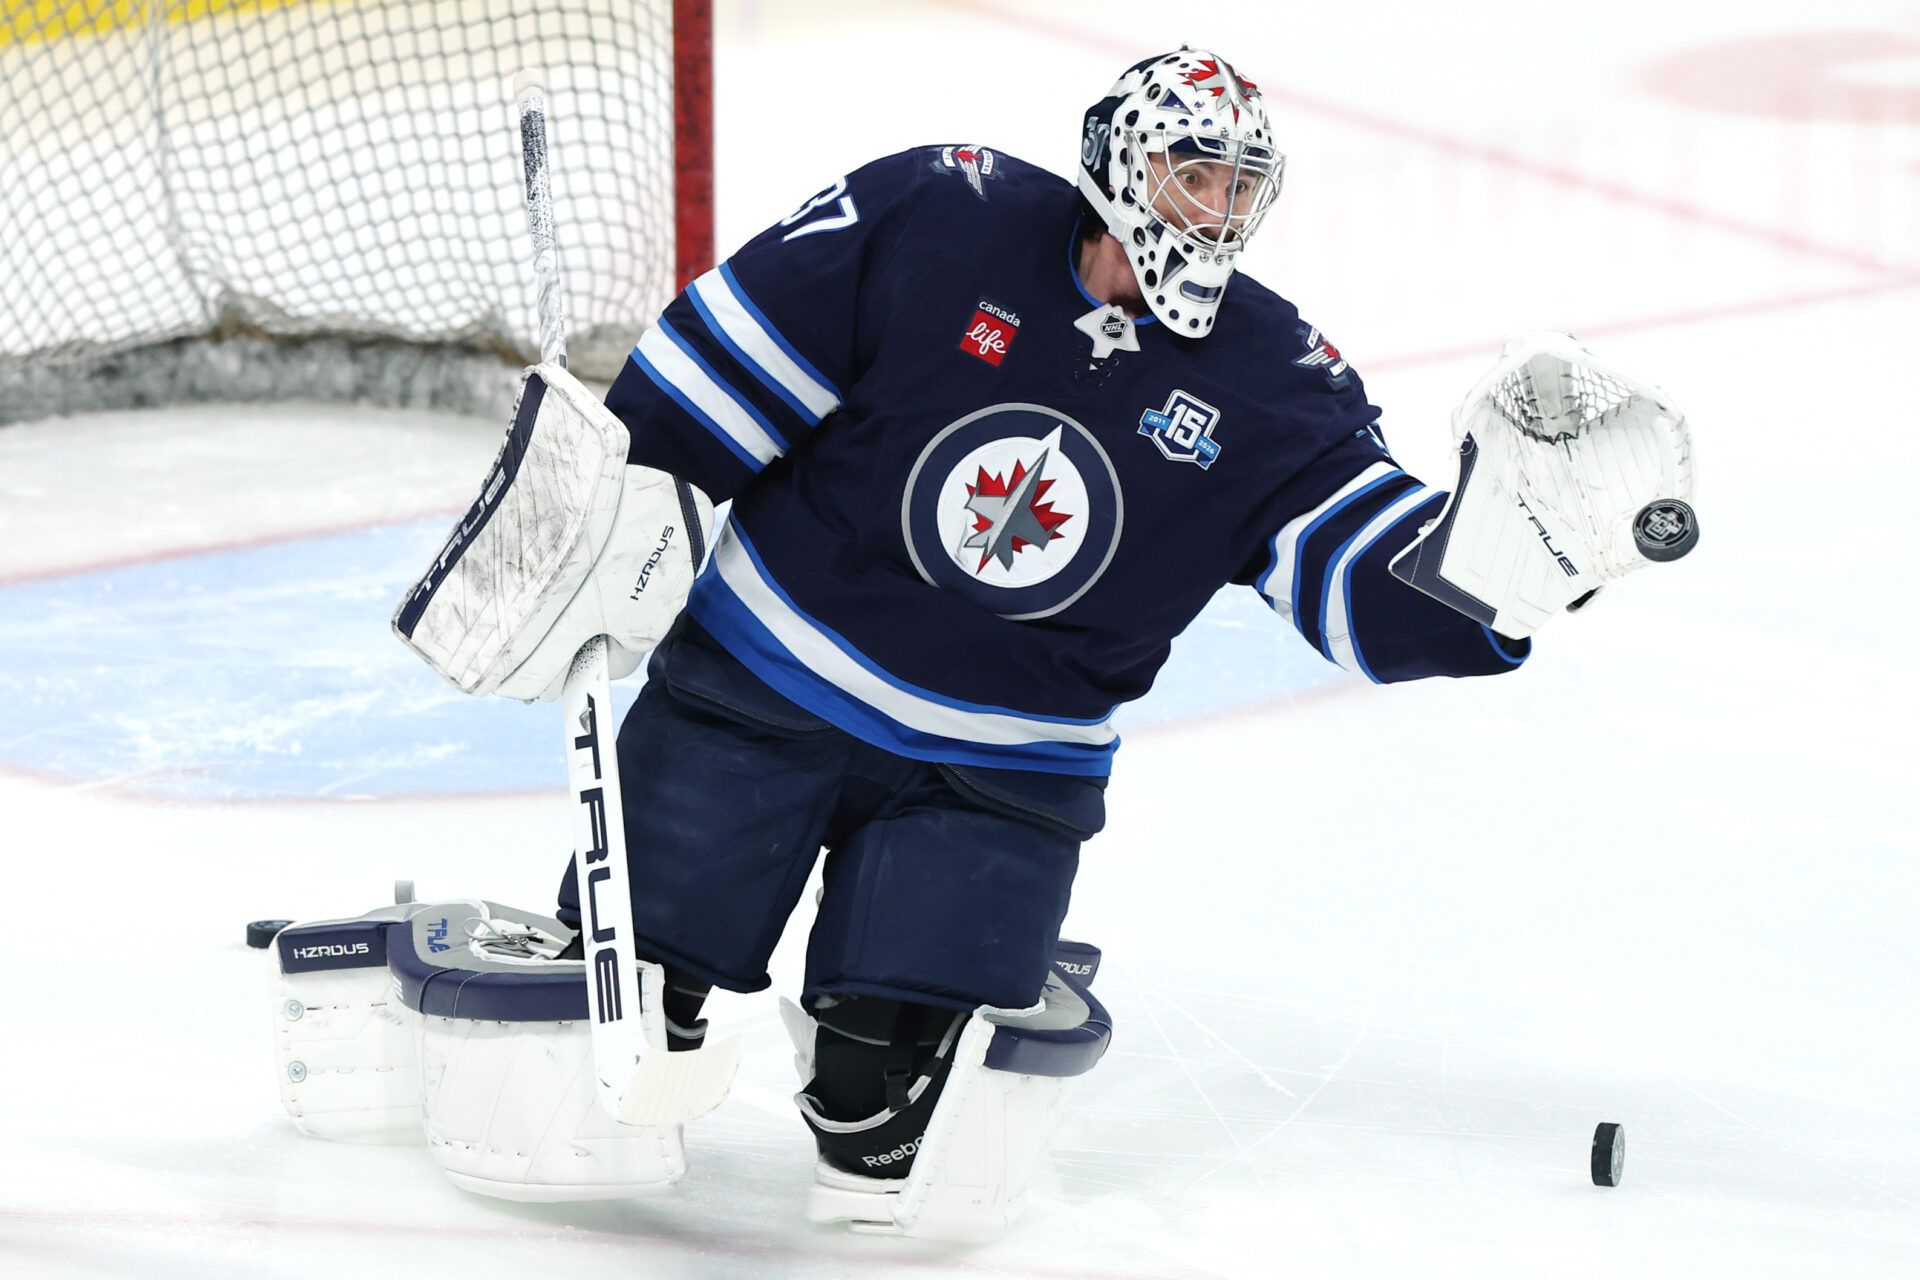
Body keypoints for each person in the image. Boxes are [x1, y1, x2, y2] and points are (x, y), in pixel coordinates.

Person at [395, 47, 1694, 1238]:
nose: (1217, 210)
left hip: (999, 776)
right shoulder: (938, 214)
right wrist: (614, 504)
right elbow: (717, 372)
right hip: (758, 695)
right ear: (1121, 164)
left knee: (888, 1129)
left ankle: (886, 1031)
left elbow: (1363, 585)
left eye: (1244, 185)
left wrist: (1516, 564)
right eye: (1194, 172)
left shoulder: (1273, 379)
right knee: (610, 1026)